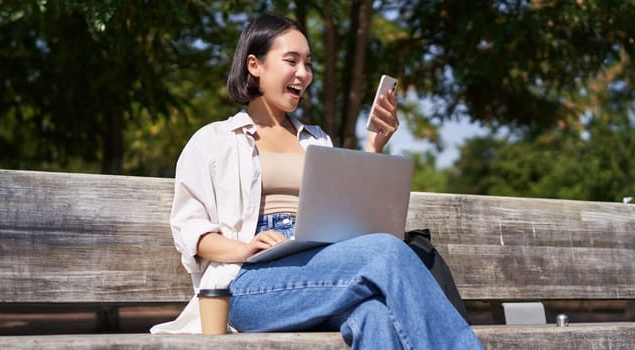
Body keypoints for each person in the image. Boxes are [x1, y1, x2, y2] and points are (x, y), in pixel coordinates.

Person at [151, 14, 483, 349]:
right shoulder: (214, 140)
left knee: (375, 315)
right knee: (387, 252)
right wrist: (244, 248)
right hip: (249, 283)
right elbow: (191, 230)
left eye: (308, 64)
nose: (303, 74)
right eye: (291, 61)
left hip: (320, 269)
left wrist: (373, 147)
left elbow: (349, 220)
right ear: (255, 65)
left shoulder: (317, 141)